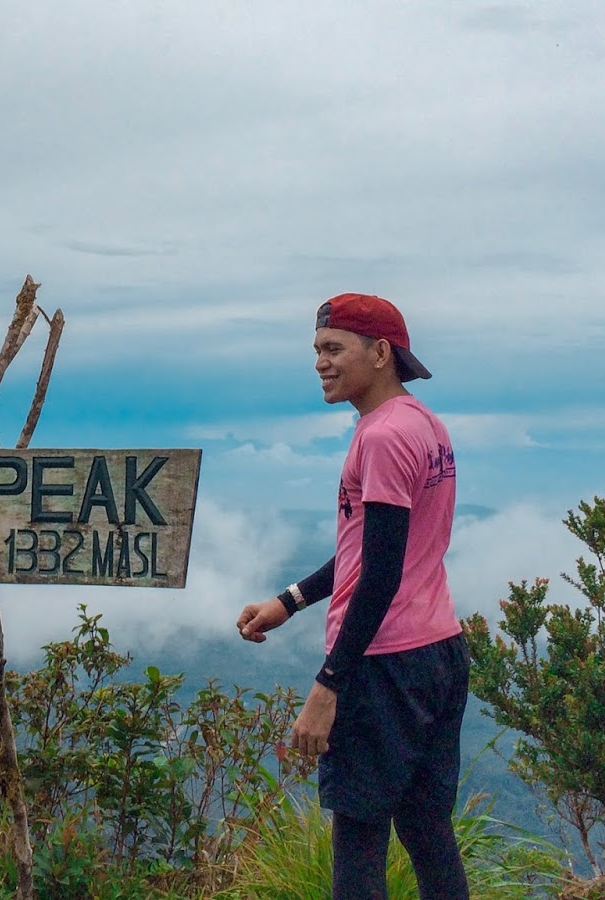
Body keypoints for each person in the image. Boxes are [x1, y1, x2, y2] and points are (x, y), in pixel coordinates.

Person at [236, 292, 469, 899]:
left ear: (381, 353)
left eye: (334, 348)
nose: (321, 362)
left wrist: (329, 684)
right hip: (438, 651)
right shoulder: (425, 425)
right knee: (427, 830)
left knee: (360, 842)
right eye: (318, 349)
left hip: (382, 664)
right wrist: (289, 601)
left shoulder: (382, 437)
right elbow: (373, 547)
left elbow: (380, 575)